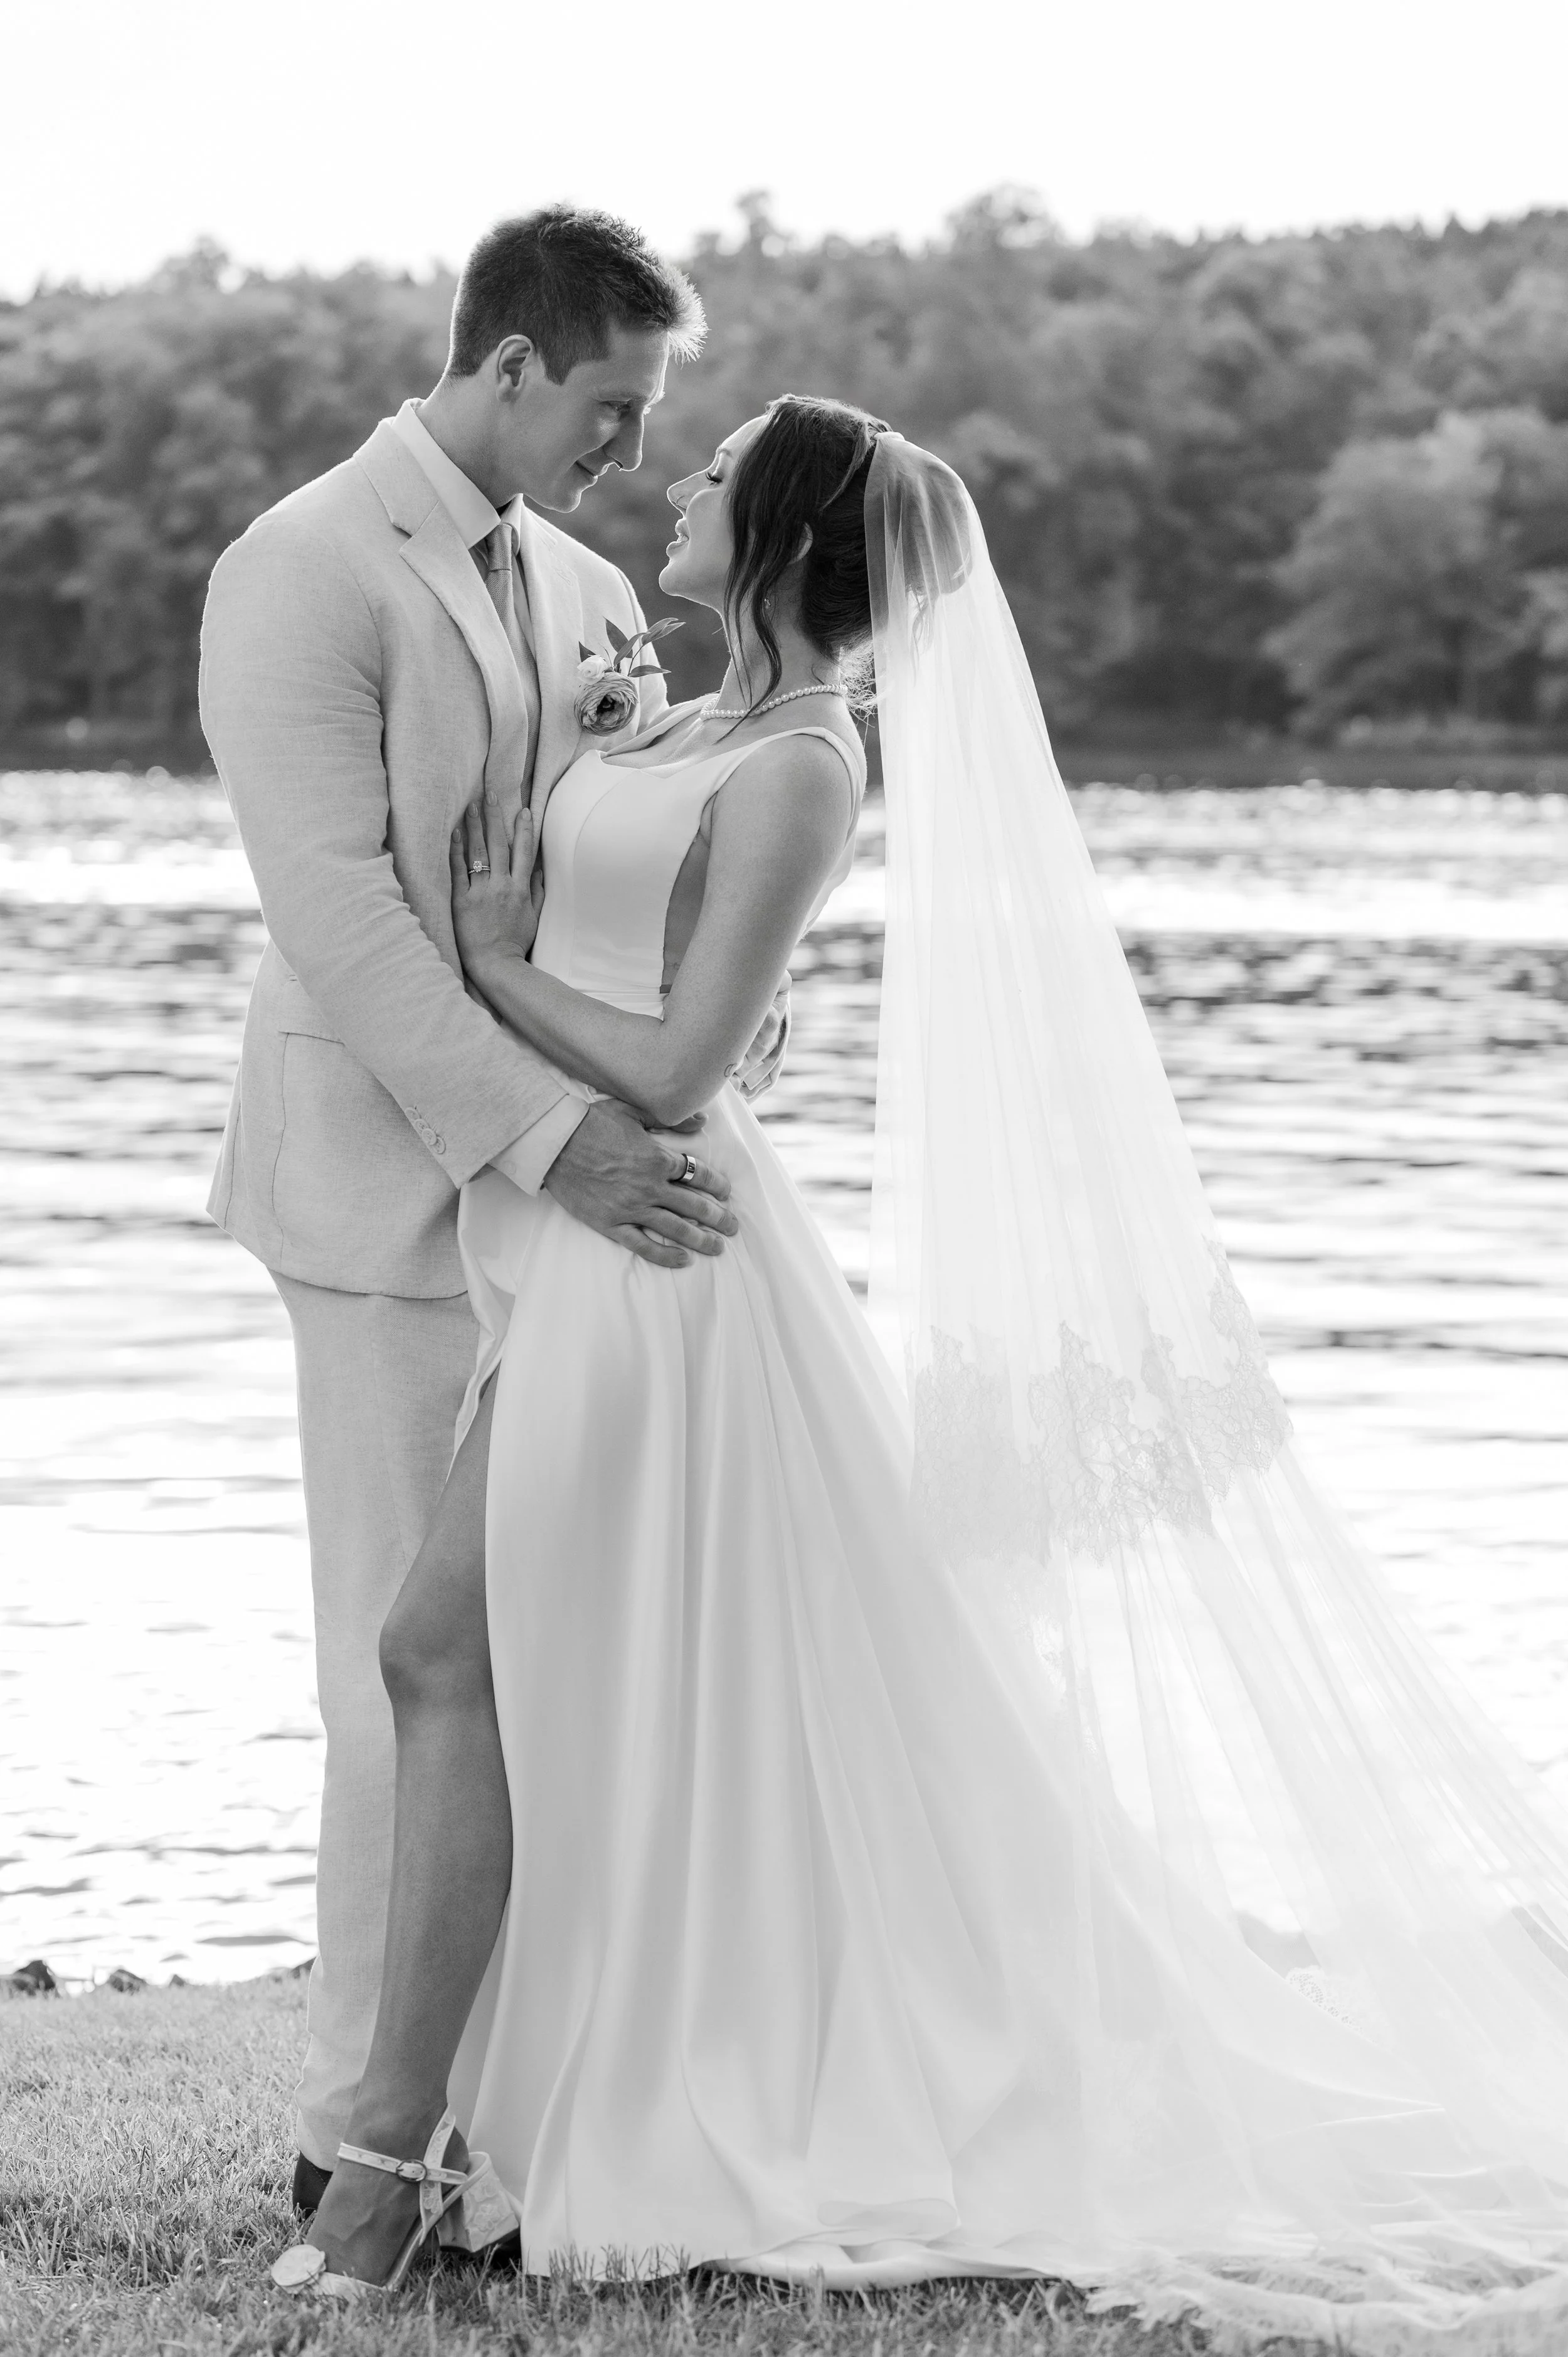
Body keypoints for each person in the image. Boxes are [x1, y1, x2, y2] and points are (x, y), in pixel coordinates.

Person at [277, 396, 1568, 2349]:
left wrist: (476, 958)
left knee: (441, 1648)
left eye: (716, 475)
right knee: (530, 1669)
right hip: (579, 1243)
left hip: (665, 1251)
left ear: (788, 534)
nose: (682, 489)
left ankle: (386, 2150)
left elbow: (683, 1065)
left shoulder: (801, 761)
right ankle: (476, 2112)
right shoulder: (685, 716)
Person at [199, 208, 795, 2213]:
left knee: (538, 1656)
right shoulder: (299, 567)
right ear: (515, 364)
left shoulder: (573, 577)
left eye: (653, 418)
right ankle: (354, 2139)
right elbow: (351, 925)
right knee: (401, 1656)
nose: (630, 446)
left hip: (580, 1216)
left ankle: (527, 2117)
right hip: (388, 1187)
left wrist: (711, 1019)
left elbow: (598, 863)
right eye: (614, 405)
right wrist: (564, 1138)